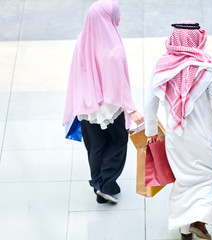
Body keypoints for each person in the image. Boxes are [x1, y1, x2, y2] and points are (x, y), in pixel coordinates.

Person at [144, 21, 212, 240]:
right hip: (205, 140)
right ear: (198, 39)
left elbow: (150, 101)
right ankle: (198, 221)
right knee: (211, 180)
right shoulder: (206, 67)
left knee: (184, 181)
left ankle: (185, 230)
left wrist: (151, 130)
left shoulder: (162, 66)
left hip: (176, 140)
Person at [63, 0, 143, 204]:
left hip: (86, 106)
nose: (119, 15)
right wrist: (131, 109)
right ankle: (107, 185)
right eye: (117, 12)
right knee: (118, 142)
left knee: (96, 146)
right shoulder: (112, 47)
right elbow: (119, 84)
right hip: (110, 107)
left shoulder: (83, 39)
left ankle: (99, 186)